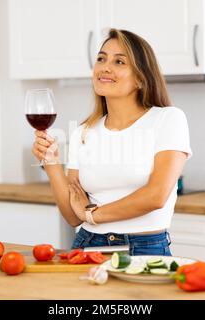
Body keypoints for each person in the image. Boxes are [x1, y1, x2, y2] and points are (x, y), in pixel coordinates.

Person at [32, 29, 192, 256]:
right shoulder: (83, 132)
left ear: (140, 78)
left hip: (145, 248)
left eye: (119, 61)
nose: (105, 67)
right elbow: (72, 215)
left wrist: (92, 214)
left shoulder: (168, 119)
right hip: (87, 245)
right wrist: (52, 164)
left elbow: (156, 196)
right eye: (101, 58)